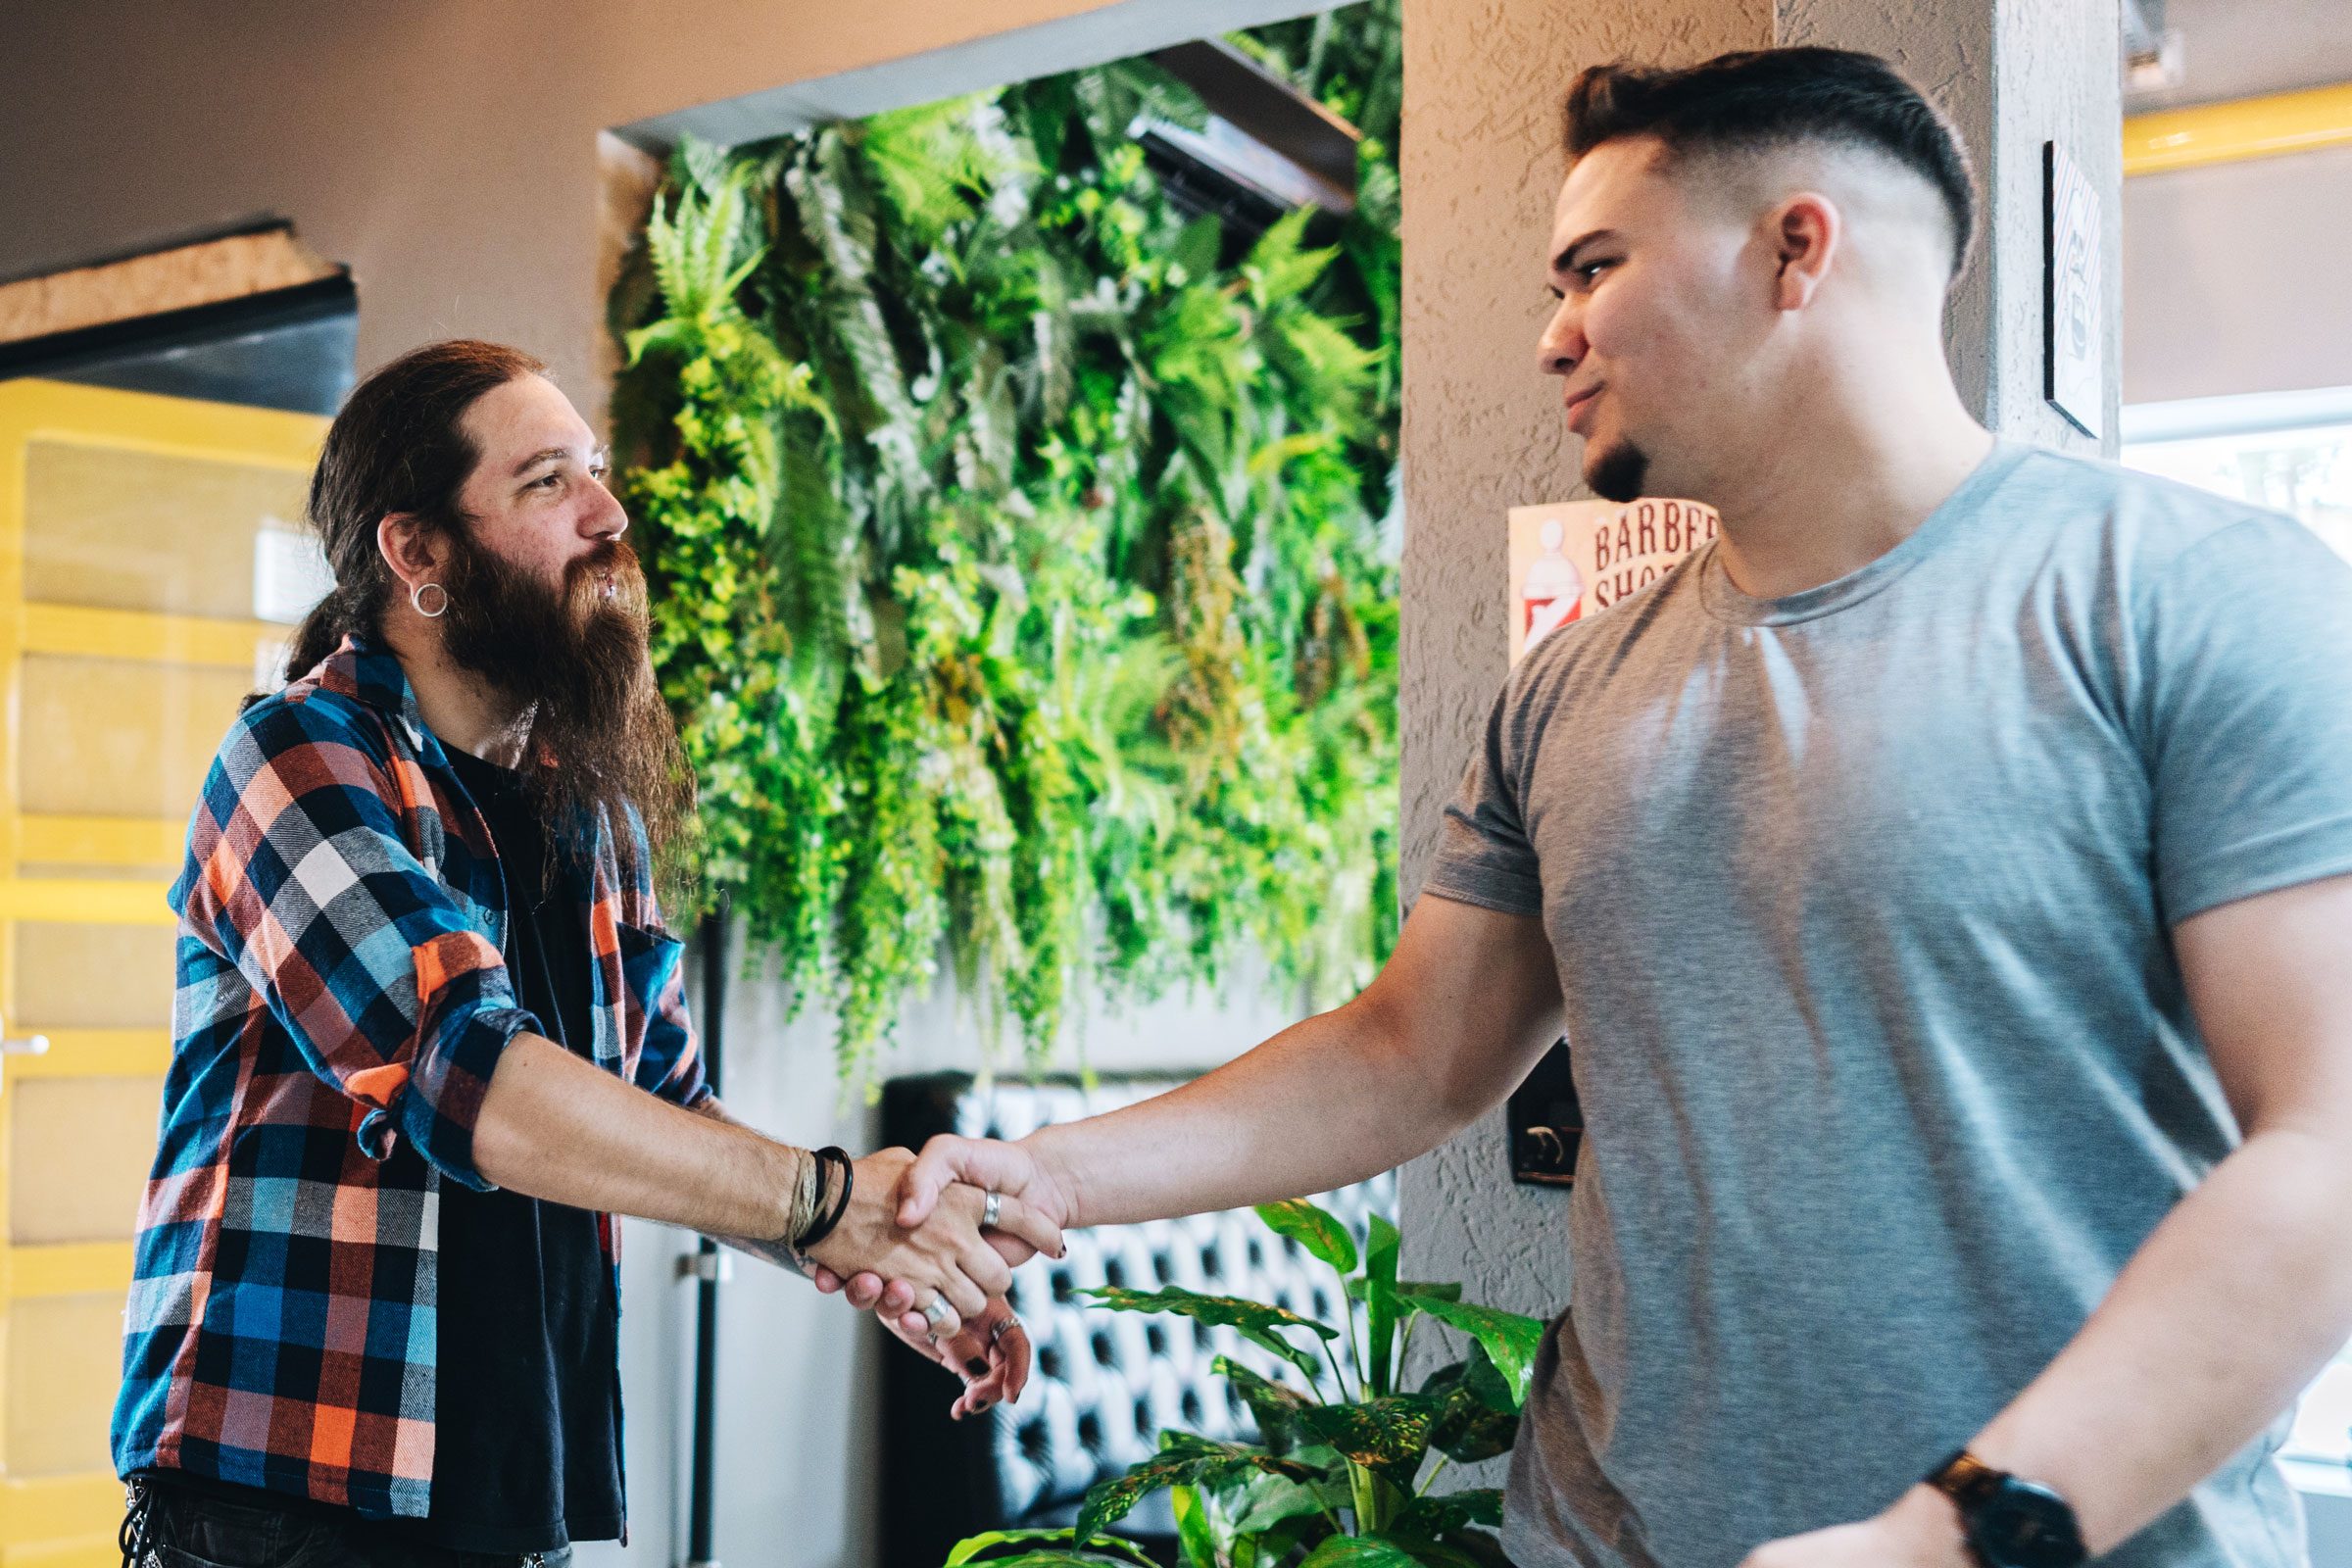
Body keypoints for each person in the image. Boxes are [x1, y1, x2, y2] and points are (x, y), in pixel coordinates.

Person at [832, 46, 2352, 1568]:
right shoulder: (1565, 690)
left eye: (1594, 269)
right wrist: (1051, 1176)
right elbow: (1408, 1055)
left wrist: (1950, 1537)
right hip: (1605, 1535)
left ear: (1794, 249)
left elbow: (2327, 1148)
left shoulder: (2193, 597)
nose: (1554, 337)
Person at [112, 340, 1053, 1568]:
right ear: (420, 552)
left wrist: (894, 1256)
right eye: (549, 481)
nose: (609, 516)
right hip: (288, 1506)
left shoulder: (587, 809)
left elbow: (663, 1105)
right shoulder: (296, 757)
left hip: (518, 1494)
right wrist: (828, 1202)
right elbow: (470, 1079)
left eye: (596, 472)